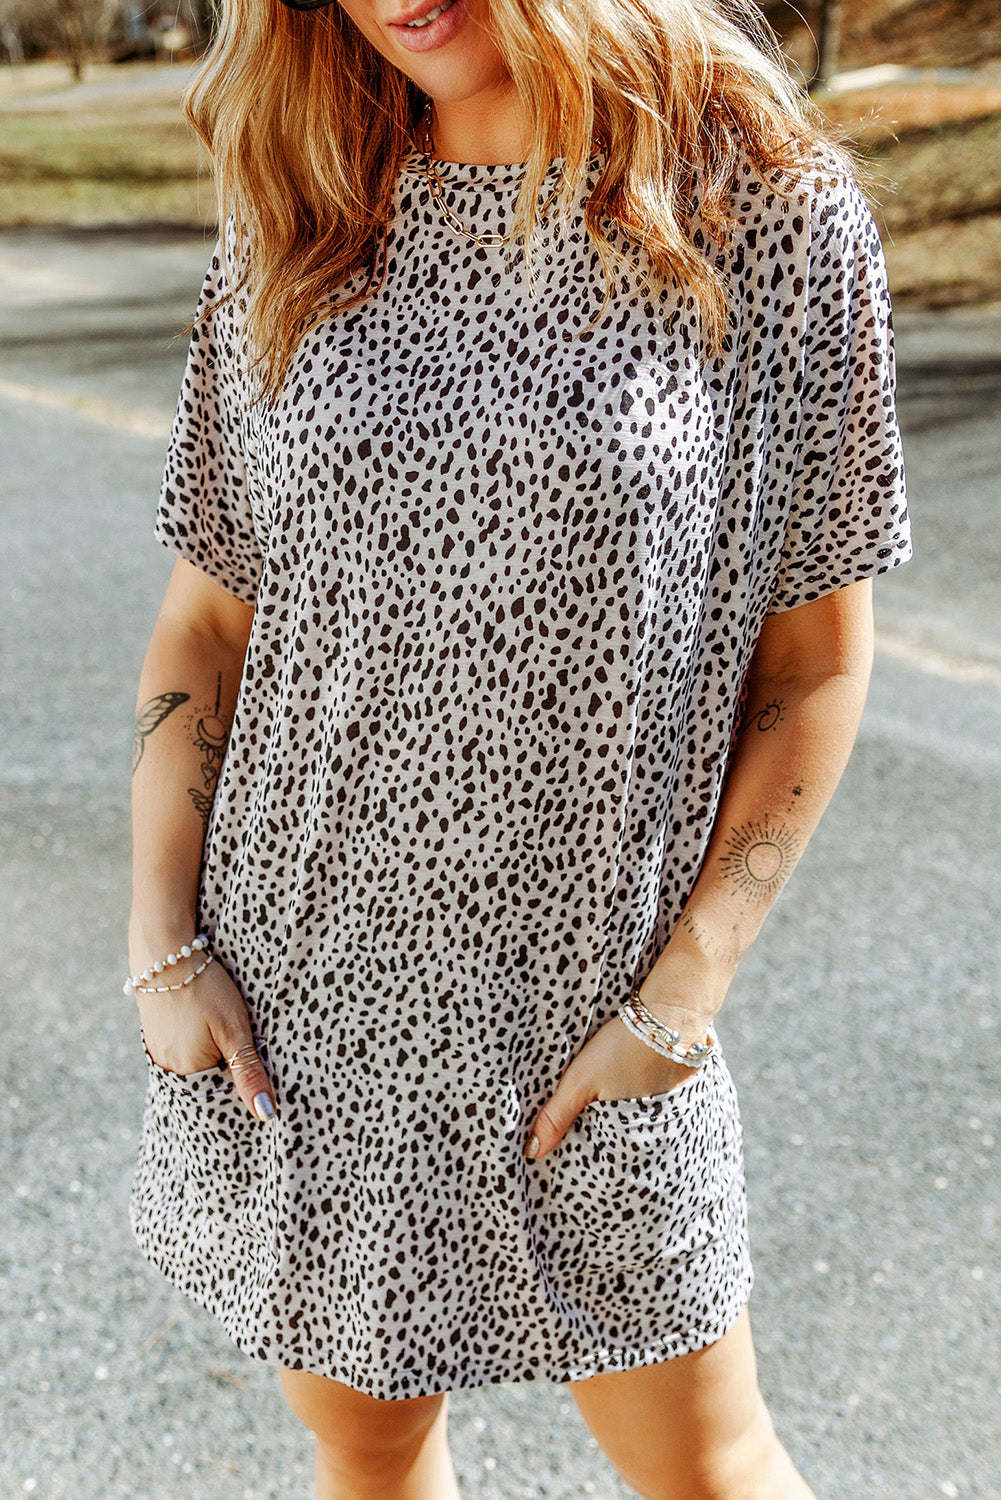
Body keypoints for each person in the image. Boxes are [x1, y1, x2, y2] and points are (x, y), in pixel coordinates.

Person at [125, 0, 914, 1494]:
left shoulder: (765, 210)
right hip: (309, 1007)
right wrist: (163, 940)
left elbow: (811, 667)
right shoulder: (304, 215)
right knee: (365, 1440)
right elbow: (207, 624)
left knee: (710, 1466)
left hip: (592, 1017)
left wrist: (683, 997)